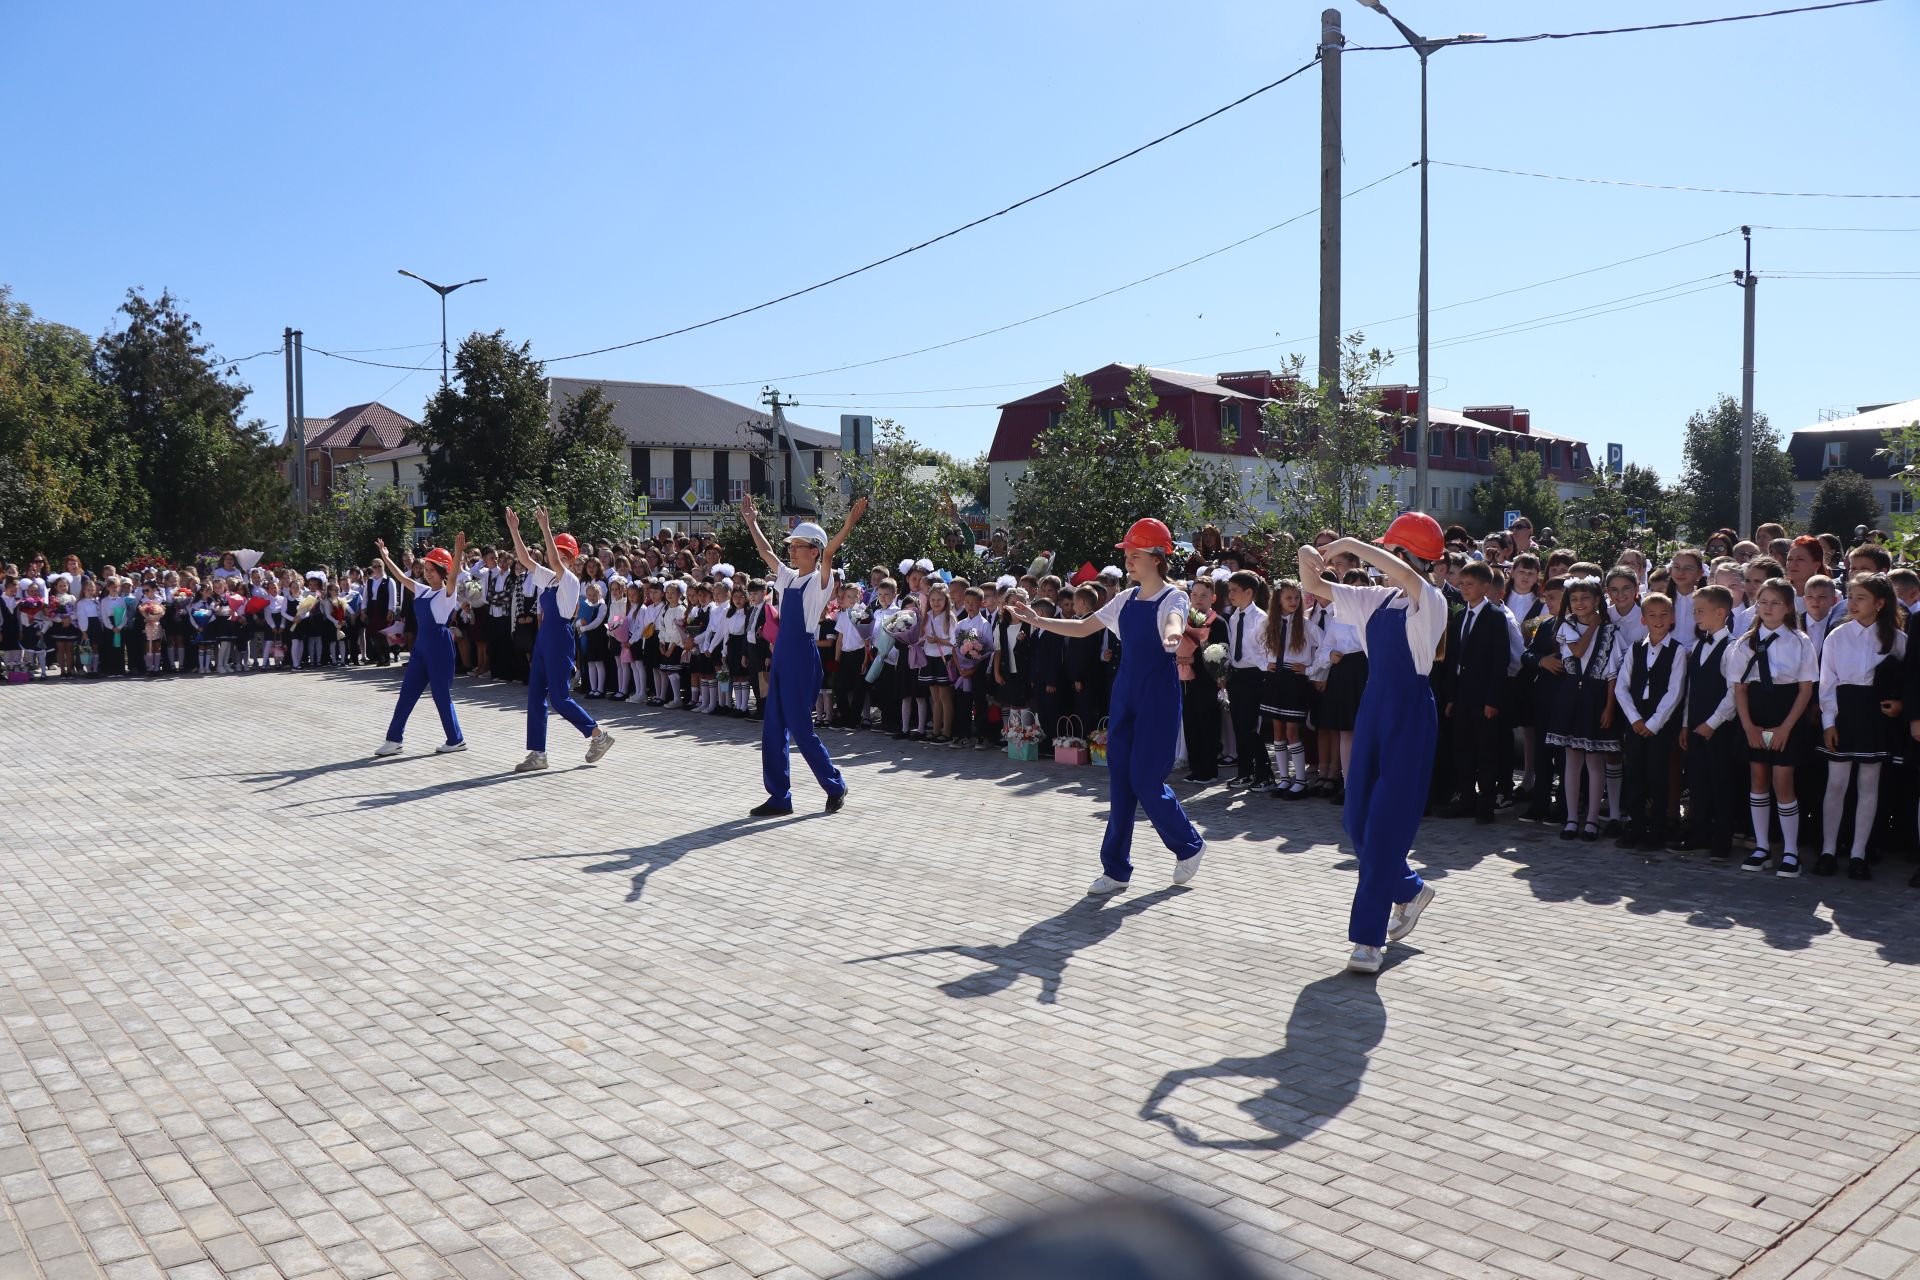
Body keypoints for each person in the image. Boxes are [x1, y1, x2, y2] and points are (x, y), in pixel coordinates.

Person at [1011, 518, 1206, 895]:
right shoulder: (1125, 599)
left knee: (1146, 781)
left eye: (1134, 554)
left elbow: (1174, 621)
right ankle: (1116, 870)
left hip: (1157, 697)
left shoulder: (1173, 597)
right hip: (1125, 693)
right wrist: (1039, 620)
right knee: (1120, 783)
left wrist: (1172, 636)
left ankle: (1189, 845)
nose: (1128, 561)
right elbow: (1084, 627)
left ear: (1156, 557)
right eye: (1127, 555)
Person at [1298, 513, 1449, 975]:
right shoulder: (1374, 599)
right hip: (1373, 708)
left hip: (1409, 715)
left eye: (1389, 552)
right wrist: (1308, 557)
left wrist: (1351, 543)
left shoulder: (1433, 601)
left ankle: (1367, 940)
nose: (1385, 564)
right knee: (1355, 818)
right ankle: (1408, 888)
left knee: (1383, 829)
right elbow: (1315, 585)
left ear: (1404, 555)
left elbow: (1407, 576)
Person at [741, 493, 867, 816]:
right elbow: (765, 551)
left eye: (798, 546)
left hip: (801, 656)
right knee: (772, 726)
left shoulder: (820, 580)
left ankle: (835, 784)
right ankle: (779, 796)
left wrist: (848, 526)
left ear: (814, 551)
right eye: (791, 546)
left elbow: (830, 554)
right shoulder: (787, 576)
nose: (791, 550)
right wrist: (752, 523)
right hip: (782, 651)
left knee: (800, 728)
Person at [505, 506, 614, 772]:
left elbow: (552, 560)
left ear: (570, 559)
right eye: (558, 553)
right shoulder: (549, 579)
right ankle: (538, 754)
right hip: (545, 638)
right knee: (534, 696)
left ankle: (598, 736)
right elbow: (525, 559)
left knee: (559, 697)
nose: (558, 559)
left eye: (564, 555)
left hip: (559, 638)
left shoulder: (571, 580)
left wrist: (545, 527)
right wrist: (514, 530)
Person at [1816, 574, 1906, 879]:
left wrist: (1901, 705)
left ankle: (1858, 853)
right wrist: (1829, 722)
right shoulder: (1837, 636)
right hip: (1844, 713)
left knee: (1868, 785)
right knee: (1836, 784)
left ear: (1879, 604)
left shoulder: (1896, 638)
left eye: (1861, 598)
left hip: (1875, 716)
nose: (1852, 603)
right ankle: (1828, 850)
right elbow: (1827, 685)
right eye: (1851, 596)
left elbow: (1908, 681)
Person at [1728, 578, 1817, 876]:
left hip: (1786, 716)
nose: (1768, 607)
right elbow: (1739, 689)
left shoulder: (1801, 641)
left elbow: (1805, 690)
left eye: (1775, 602)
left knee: (1783, 781)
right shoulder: (1745, 642)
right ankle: (1762, 847)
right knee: (1758, 777)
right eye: (1762, 601)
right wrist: (1749, 727)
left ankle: (1791, 851)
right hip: (1755, 714)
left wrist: (1785, 728)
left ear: (1789, 607)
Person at [370, 534, 468, 759]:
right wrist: (386, 558)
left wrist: (458, 552)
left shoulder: (447, 593)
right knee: (406, 693)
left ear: (443, 571)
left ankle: (456, 739)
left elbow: (453, 577)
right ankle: (394, 740)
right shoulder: (423, 590)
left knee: (441, 695)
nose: (428, 571)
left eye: (433, 568)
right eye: (427, 568)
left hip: (440, 647)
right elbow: (400, 578)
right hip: (421, 649)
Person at [1615, 593, 1686, 851]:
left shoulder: (1677, 651)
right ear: (1643, 620)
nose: (1658, 620)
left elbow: (1675, 691)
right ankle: (1635, 824)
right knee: (1634, 773)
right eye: (1652, 615)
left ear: (1673, 618)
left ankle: (1657, 828)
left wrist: (1653, 723)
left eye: (1664, 615)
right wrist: (1635, 719)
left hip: (1661, 721)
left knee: (1657, 775)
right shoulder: (1635, 648)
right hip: (1636, 718)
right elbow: (1622, 687)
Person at [1221, 571, 1272, 788]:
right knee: (1239, 726)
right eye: (1229, 590)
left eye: (1235, 590)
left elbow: (1266, 650)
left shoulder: (1261, 618)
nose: (1230, 594)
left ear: (1249, 592)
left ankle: (1265, 774)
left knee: (1250, 726)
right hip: (1237, 675)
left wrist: (1262, 673)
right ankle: (1245, 771)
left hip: (1254, 675)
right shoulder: (1234, 616)